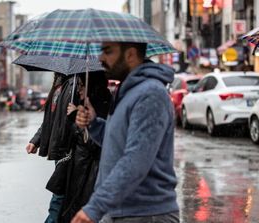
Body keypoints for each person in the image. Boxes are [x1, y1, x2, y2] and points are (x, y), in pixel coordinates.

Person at [71, 42, 179, 223]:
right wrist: (94, 124)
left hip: (144, 214)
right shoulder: (127, 92)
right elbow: (118, 142)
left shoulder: (150, 94)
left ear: (130, 55)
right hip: (120, 211)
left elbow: (136, 160)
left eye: (108, 51)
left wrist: (95, 207)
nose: (101, 58)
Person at [58, 72, 112, 223]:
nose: (79, 90)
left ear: (91, 85)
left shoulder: (101, 104)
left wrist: (79, 121)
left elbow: (93, 144)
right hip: (80, 169)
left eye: (82, 86)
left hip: (89, 173)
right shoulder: (88, 103)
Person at [25, 72, 72, 223]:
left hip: (69, 150)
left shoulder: (74, 85)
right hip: (61, 150)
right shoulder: (60, 85)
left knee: (59, 196)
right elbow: (50, 119)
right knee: (62, 195)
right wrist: (36, 140)